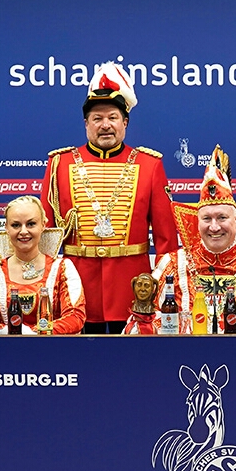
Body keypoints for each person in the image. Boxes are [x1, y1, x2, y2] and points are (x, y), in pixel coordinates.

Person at [41, 61, 178, 334]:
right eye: (97, 119)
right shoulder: (59, 164)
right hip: (76, 283)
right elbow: (46, 235)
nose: (105, 125)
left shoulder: (150, 165)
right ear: (86, 124)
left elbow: (166, 238)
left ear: (125, 122)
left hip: (132, 284)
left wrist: (164, 286)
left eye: (113, 117)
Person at [125, 146, 236, 334]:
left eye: (222, 217)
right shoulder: (172, 265)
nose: (214, 227)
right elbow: (140, 321)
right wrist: (179, 328)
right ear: (197, 222)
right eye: (207, 218)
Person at [0, 196, 86, 334]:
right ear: (6, 227)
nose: (23, 231)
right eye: (16, 225)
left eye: (31, 224)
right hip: (3, 346)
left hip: (52, 346)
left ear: (43, 225)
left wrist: (36, 333)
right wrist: (5, 331)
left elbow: (75, 317)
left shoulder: (63, 268)